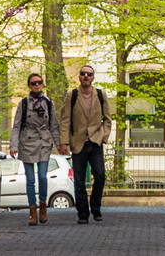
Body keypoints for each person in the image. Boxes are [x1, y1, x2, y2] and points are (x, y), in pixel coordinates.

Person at [58, 65, 112, 224]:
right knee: (79, 180)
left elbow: (108, 119)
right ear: (79, 77)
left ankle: (95, 208)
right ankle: (82, 213)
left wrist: (104, 136)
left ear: (93, 77)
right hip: (78, 143)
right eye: (83, 74)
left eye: (89, 74)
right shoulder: (72, 95)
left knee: (100, 175)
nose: (86, 76)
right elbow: (65, 120)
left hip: (95, 142)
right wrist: (64, 142)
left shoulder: (101, 95)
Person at [9, 73, 61, 225]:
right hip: (27, 143)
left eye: (39, 82)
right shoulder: (24, 104)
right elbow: (16, 126)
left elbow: (54, 126)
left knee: (43, 177)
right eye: (33, 83)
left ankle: (43, 206)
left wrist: (60, 144)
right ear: (29, 85)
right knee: (30, 179)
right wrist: (13, 145)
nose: (37, 85)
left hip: (44, 143)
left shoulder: (49, 103)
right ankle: (32, 210)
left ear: (42, 84)